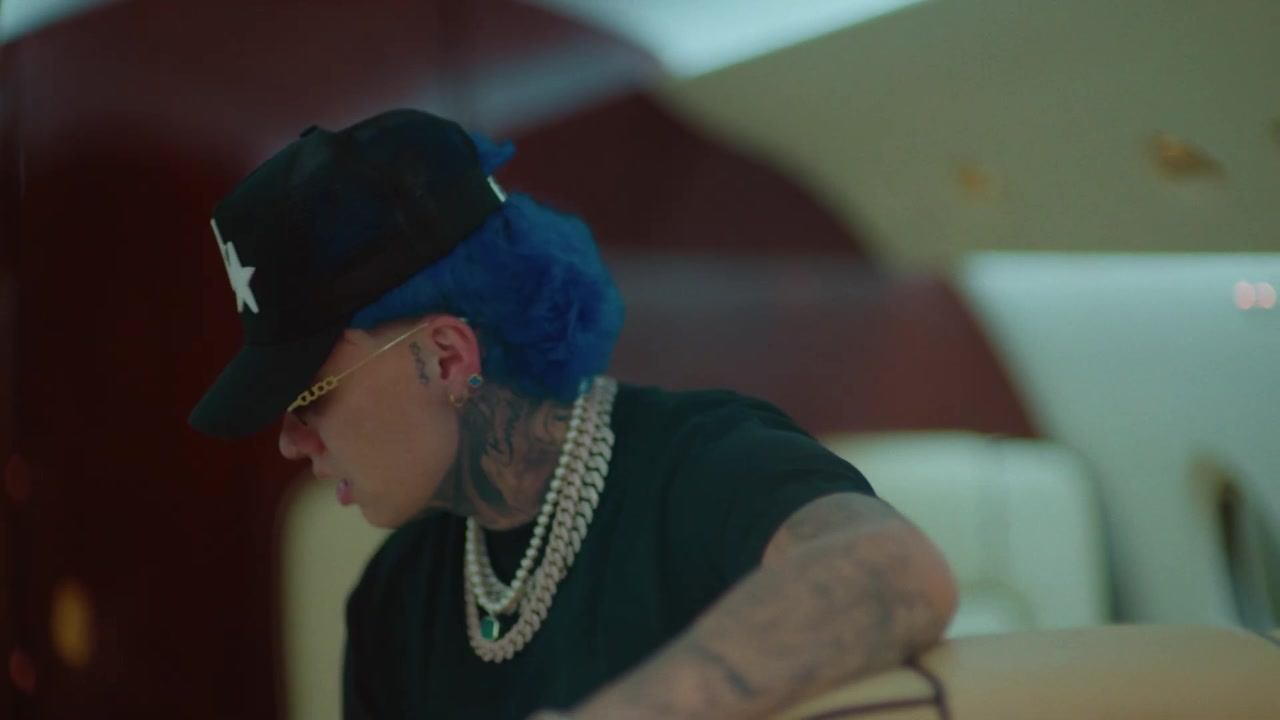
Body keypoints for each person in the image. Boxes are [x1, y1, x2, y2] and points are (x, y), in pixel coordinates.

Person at [189, 109, 958, 720]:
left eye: (309, 397)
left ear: (447, 357)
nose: (290, 442)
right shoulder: (395, 598)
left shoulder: (697, 465)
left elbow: (893, 572)